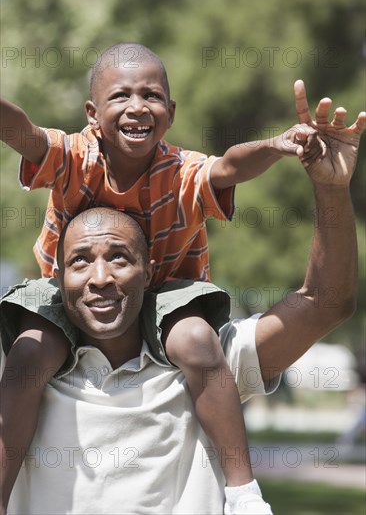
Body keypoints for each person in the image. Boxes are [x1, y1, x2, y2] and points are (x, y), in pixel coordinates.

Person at [0, 42, 362, 514]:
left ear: (170, 113)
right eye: (82, 260)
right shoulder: (73, 158)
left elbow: (325, 299)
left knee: (194, 338)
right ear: (92, 113)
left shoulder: (207, 361)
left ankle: (244, 494)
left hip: (173, 306)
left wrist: (300, 165)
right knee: (30, 350)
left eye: (121, 258)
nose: (102, 277)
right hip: (48, 331)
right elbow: (23, 133)